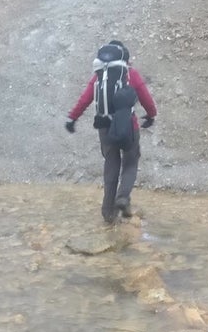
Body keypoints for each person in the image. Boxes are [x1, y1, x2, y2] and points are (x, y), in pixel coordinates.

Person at [65, 40, 157, 224]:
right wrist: (151, 115)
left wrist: (72, 119)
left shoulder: (100, 76)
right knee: (130, 163)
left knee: (111, 165)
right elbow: (145, 97)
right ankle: (123, 197)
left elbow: (85, 99)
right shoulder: (130, 74)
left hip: (105, 127)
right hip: (129, 127)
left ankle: (108, 213)